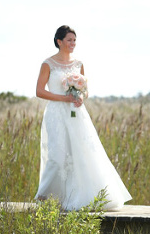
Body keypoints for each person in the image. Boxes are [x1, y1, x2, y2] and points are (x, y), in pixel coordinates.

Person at [34, 25, 132, 211]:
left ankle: (78, 196)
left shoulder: (79, 64)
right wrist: (64, 98)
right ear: (59, 41)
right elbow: (39, 91)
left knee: (82, 152)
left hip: (76, 113)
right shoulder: (48, 64)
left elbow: (86, 91)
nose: (73, 43)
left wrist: (80, 97)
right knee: (57, 154)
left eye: (75, 40)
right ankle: (45, 197)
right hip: (56, 113)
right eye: (69, 40)